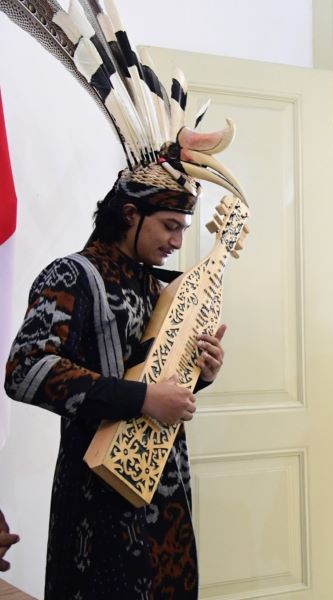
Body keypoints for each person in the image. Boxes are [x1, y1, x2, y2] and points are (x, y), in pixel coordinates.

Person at [2, 3, 247, 596]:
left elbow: (160, 373)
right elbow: (27, 372)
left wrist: (201, 372)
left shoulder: (161, 287)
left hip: (165, 491)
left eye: (183, 231)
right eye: (168, 226)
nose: (175, 242)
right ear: (129, 214)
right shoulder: (71, 274)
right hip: (99, 508)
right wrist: (141, 398)